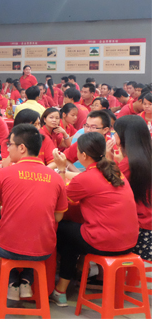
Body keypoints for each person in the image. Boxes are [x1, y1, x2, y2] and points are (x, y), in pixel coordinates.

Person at [50, 133, 139, 307]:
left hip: (106, 242)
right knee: (72, 236)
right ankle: (67, 283)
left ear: (83, 155)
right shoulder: (114, 171)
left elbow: (58, 200)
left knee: (61, 229)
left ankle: (60, 288)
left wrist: (61, 169)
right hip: (129, 241)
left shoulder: (87, 178)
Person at [0, 124, 67, 300]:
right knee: (33, 239)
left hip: (8, 247)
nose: (8, 148)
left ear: (22, 148)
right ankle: (26, 279)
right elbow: (58, 216)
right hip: (44, 249)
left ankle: (12, 280)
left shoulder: (4, 174)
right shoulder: (55, 177)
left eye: (10, 144)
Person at [112, 115, 152, 263]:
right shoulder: (145, 157)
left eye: (115, 132)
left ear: (123, 137)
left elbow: (107, 186)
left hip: (138, 228)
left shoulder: (129, 163)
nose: (113, 136)